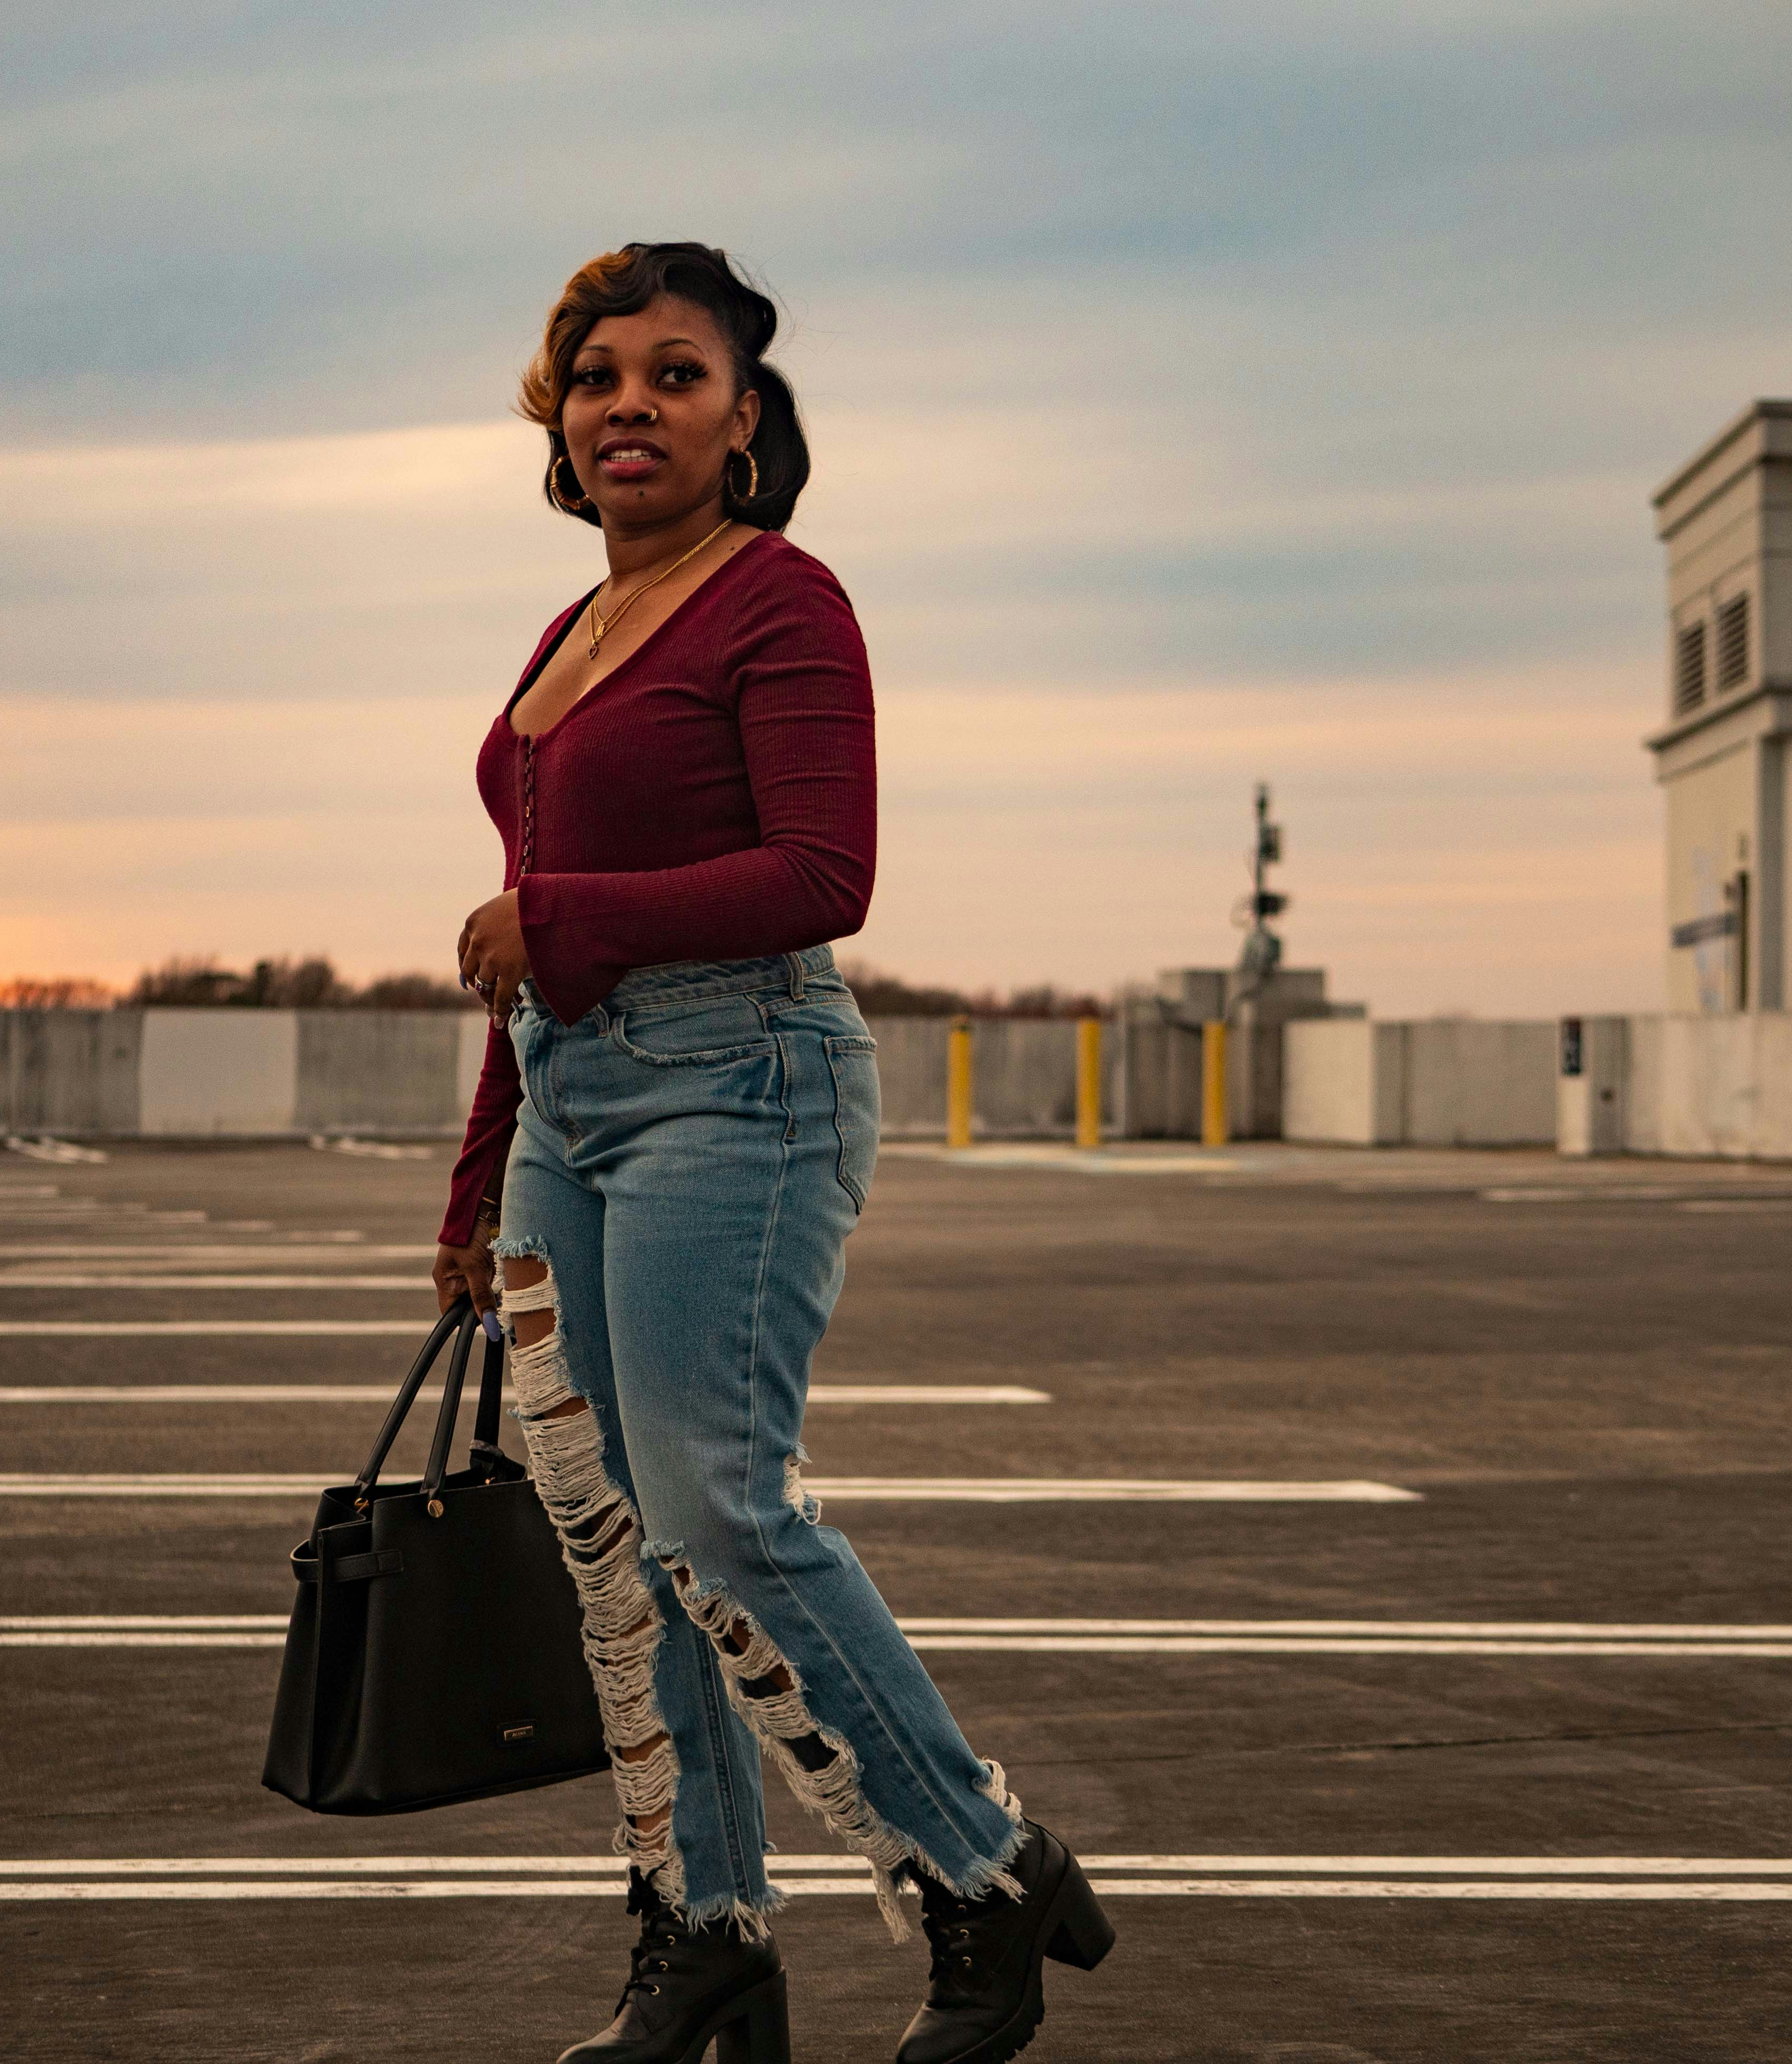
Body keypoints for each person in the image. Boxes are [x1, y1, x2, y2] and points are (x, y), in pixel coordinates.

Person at [435, 243, 1114, 2064]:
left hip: (742, 1086)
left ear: (747, 421)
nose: (629, 406)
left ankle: (980, 1872)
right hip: (570, 1106)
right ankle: (705, 1937)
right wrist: (475, 1187)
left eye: (675, 376)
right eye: (597, 379)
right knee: (615, 1546)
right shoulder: (563, 638)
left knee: (722, 1512)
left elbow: (828, 879)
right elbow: (531, 948)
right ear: (557, 427)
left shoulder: (781, 603)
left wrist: (561, 916)